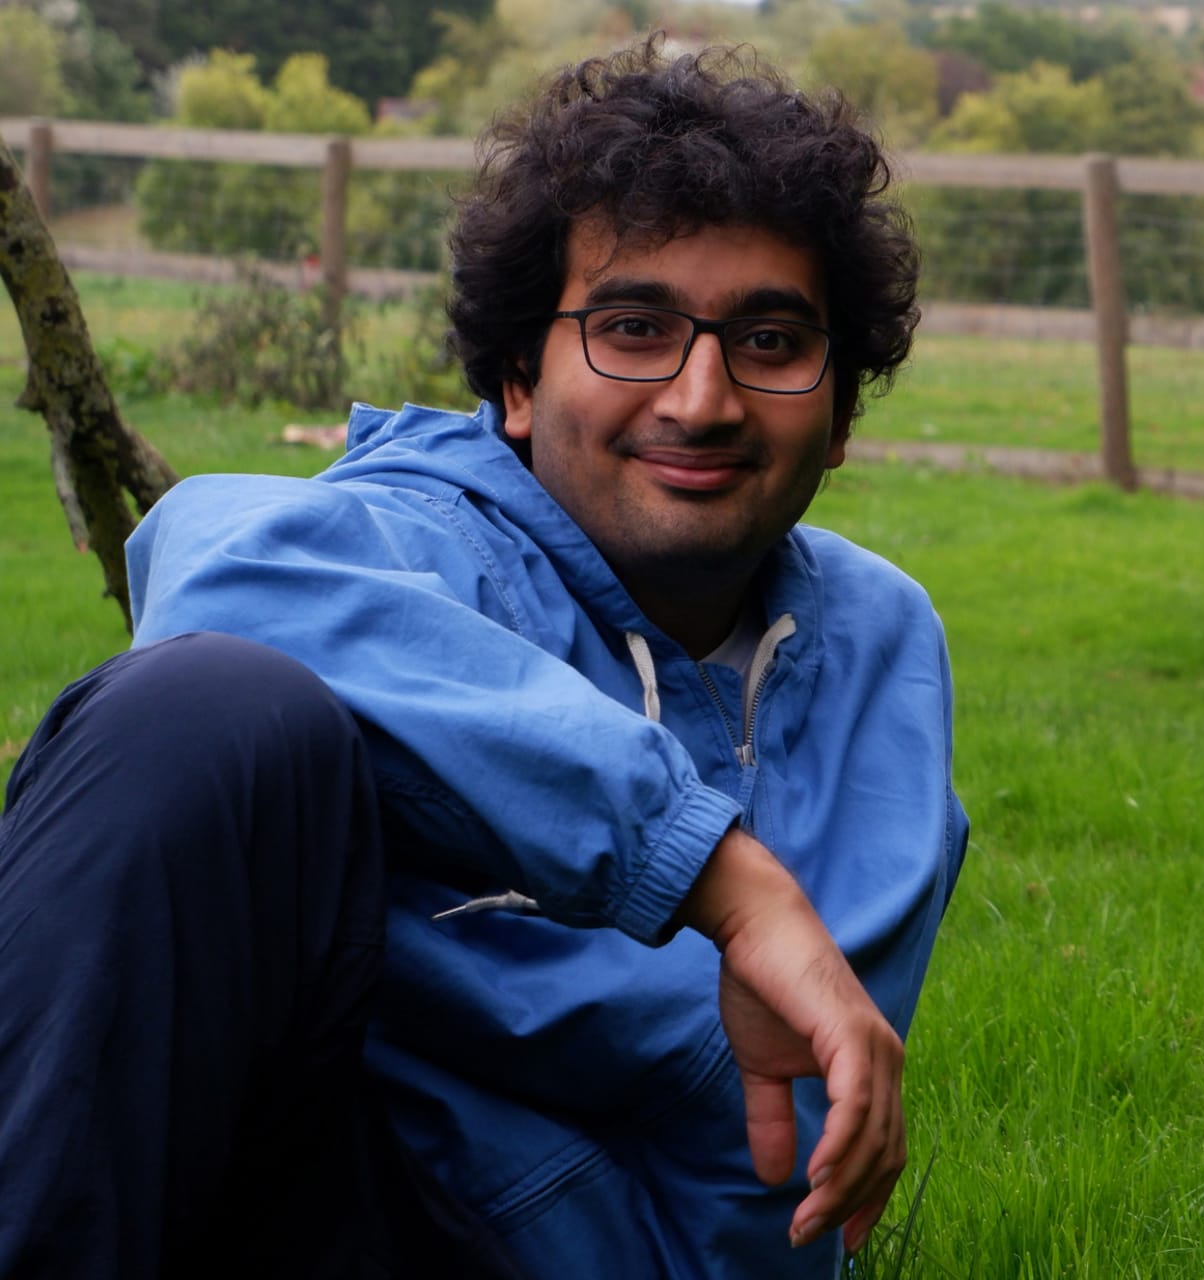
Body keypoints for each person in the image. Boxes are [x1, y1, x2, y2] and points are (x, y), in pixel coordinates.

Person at [0, 38, 966, 1279]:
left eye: (773, 340)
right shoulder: (430, 541)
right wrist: (715, 876)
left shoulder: (884, 649)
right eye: (633, 326)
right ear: (518, 379)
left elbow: (770, 1152)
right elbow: (209, 558)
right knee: (205, 709)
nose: (703, 396)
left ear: (839, 416)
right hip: (324, 1216)